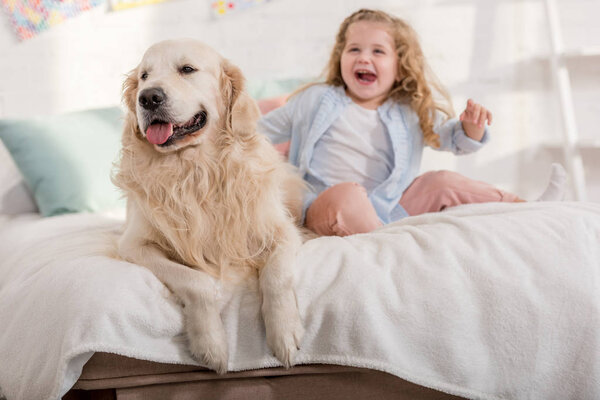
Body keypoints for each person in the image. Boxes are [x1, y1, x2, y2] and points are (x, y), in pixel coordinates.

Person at [257, 8, 566, 237]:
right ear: (341, 57)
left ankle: (530, 210)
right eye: (354, 50)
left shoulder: (407, 109)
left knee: (442, 181)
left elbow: (452, 139)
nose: (364, 58)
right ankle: (385, 245)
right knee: (349, 195)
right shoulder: (316, 99)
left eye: (378, 51)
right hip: (325, 205)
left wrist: (472, 128)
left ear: (400, 67)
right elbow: (257, 132)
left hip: (390, 207)